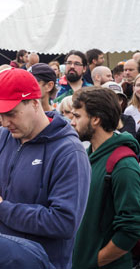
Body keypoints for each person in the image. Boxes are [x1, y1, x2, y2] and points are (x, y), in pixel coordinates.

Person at [0, 68, 91, 269]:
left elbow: (64, 222)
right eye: (1, 114)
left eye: (11, 113)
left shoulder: (69, 152)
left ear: (35, 103)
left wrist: (2, 209)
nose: (4, 122)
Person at [71, 87, 140, 269]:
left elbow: (131, 228)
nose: (72, 122)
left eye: (77, 116)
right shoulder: (86, 156)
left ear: (95, 119)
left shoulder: (124, 165)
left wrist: (94, 261)